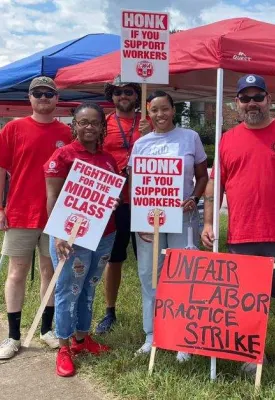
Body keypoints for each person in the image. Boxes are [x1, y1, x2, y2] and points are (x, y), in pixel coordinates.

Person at [201, 74, 275, 384]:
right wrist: (210, 221)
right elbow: (217, 182)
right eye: (245, 97)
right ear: (237, 103)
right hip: (242, 235)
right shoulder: (227, 138)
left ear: (269, 99)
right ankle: (252, 354)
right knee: (247, 302)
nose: (252, 103)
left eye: (258, 97)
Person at [129, 90, 209, 362]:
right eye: (154, 110)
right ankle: (151, 334)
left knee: (184, 275)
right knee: (149, 274)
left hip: (182, 218)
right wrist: (139, 218)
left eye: (165, 109)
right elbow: (136, 183)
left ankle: (183, 337)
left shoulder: (190, 138)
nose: (160, 115)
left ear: (174, 110)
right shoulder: (141, 143)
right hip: (149, 220)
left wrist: (194, 198)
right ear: (148, 114)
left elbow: (202, 176)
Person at [0, 77, 72, 360]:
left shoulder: (66, 133)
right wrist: (0, 208)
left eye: (49, 93)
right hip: (20, 212)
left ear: (57, 99)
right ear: (29, 98)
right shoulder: (13, 128)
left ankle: (46, 330)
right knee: (16, 273)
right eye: (37, 93)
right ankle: (13, 336)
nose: (43, 98)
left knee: (49, 273)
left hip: (55, 216)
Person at [44, 103, 118, 377]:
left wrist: (113, 200)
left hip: (105, 234)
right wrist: (59, 233)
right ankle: (63, 346)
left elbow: (109, 194)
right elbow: (52, 197)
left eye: (94, 122)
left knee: (89, 288)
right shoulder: (62, 155)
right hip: (71, 237)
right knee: (67, 289)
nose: (89, 127)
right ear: (74, 125)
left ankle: (82, 339)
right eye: (83, 122)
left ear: (101, 127)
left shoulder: (108, 159)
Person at [95, 75, 151, 335]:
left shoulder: (149, 122)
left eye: (128, 91)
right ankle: (110, 311)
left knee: (148, 258)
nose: (123, 96)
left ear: (137, 94)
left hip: (145, 200)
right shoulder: (104, 125)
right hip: (115, 201)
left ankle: (152, 311)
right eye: (118, 92)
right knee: (114, 258)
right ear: (112, 96)